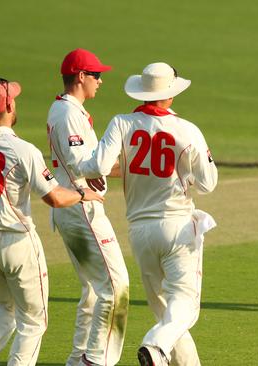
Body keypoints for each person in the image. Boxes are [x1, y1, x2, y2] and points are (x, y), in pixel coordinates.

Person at [0, 78, 103, 366]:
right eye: (14, 99)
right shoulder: (23, 150)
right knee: (34, 321)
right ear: (8, 106)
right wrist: (83, 193)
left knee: (6, 305)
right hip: (16, 240)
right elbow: (55, 198)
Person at [76, 62, 218, 366]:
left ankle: (170, 356)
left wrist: (91, 172)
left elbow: (96, 167)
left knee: (166, 311)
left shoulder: (121, 123)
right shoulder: (186, 129)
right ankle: (154, 346)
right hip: (178, 226)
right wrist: (187, 174)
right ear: (171, 93)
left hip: (140, 230)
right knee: (185, 309)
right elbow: (208, 183)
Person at [46, 48, 130, 365]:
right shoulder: (67, 114)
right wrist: (113, 145)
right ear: (80, 77)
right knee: (116, 287)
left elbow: (95, 164)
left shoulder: (69, 111)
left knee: (93, 291)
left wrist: (137, 164)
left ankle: (78, 357)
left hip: (73, 208)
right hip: (80, 208)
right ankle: (95, 359)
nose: (100, 81)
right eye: (96, 75)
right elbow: (82, 165)